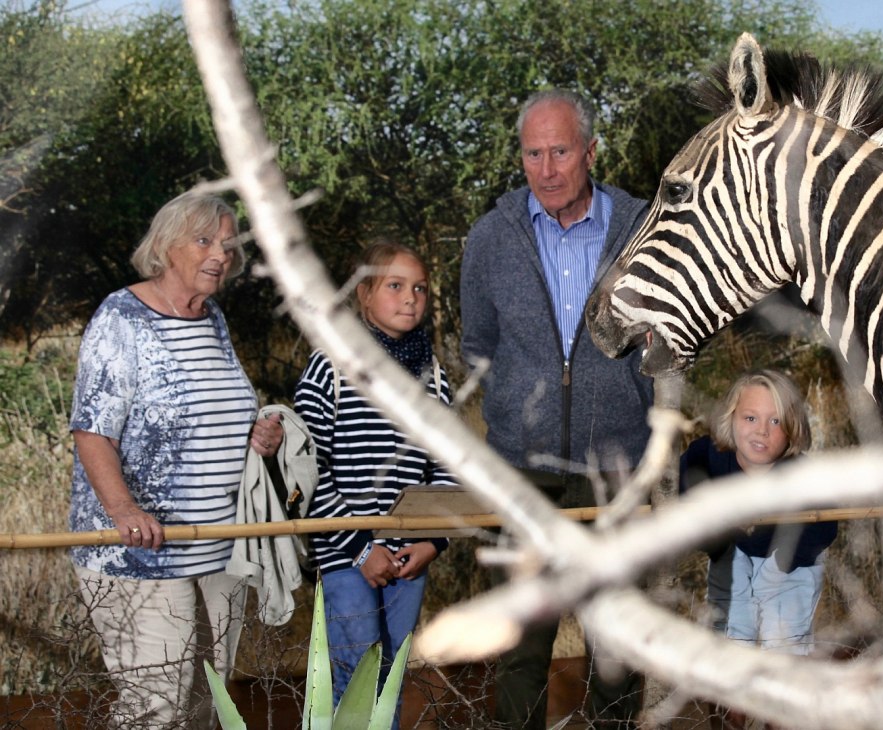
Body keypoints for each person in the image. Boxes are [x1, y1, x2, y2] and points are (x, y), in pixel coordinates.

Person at [460, 88, 653, 729]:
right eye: (533, 153)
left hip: (614, 473)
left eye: (561, 151)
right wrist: (517, 415)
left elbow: (673, 344)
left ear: (591, 151)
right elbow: (479, 348)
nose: (546, 168)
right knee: (519, 649)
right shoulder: (490, 239)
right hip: (521, 474)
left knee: (618, 647)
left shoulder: (644, 230)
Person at [69, 192, 284, 729]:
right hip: (142, 553)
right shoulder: (123, 317)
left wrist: (257, 436)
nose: (221, 254)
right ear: (166, 247)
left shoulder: (212, 317)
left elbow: (217, 412)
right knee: (155, 709)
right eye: (205, 240)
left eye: (229, 244)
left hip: (217, 549)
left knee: (207, 706)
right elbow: (92, 431)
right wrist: (124, 511)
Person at [294, 240, 455, 728]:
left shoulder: (433, 379)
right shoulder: (330, 368)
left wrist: (433, 541)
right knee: (352, 673)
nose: (411, 298)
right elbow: (307, 473)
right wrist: (362, 550)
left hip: (409, 558)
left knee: (391, 679)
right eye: (395, 286)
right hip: (346, 555)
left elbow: (446, 469)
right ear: (364, 294)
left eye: (420, 289)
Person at [679, 370, 837, 656]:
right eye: (750, 418)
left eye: (775, 421)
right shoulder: (707, 456)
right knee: (732, 628)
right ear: (731, 418)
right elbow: (687, 502)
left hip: (790, 559)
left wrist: (773, 572)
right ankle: (733, 683)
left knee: (783, 635)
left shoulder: (804, 476)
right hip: (734, 549)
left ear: (793, 429)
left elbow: (823, 530)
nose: (762, 430)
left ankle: (786, 679)